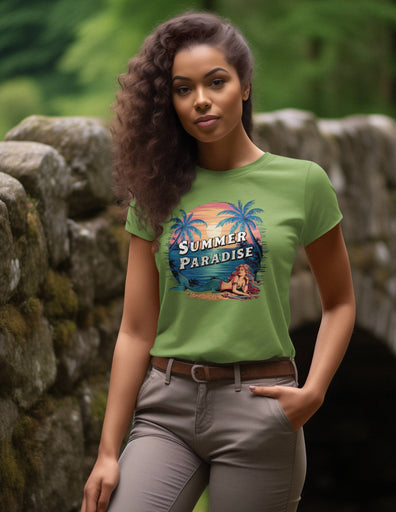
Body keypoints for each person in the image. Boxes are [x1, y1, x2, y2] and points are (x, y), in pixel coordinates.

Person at [81, 11, 356, 512]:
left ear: (245, 86)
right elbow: (135, 330)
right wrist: (107, 452)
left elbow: (339, 302)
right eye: (183, 89)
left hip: (260, 406)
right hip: (165, 408)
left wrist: (314, 391)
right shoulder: (155, 195)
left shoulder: (303, 182)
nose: (200, 100)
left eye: (216, 82)